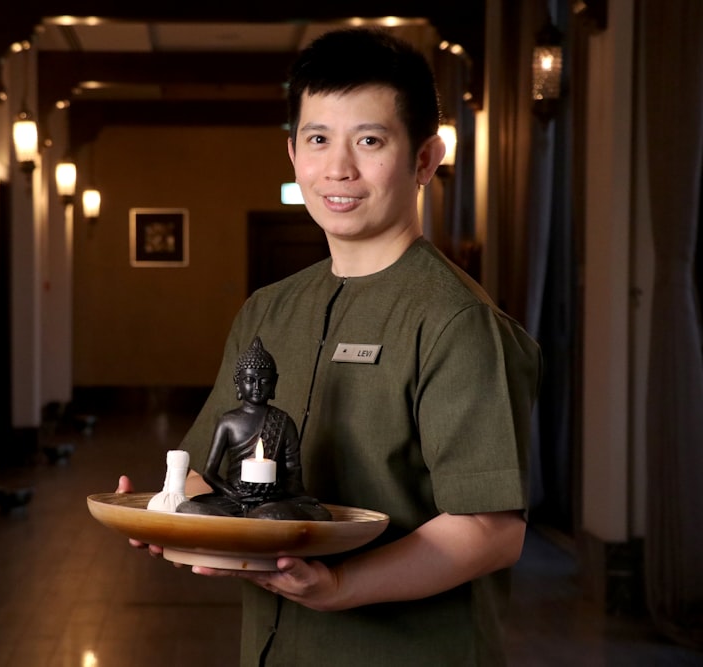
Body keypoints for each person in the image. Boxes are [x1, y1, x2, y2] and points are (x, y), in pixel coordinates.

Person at [118, 27, 541, 666]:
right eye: (318, 140)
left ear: (425, 159)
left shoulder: (456, 321)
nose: (338, 168)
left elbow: (490, 531)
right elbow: (212, 472)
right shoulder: (269, 308)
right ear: (292, 153)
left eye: (369, 141)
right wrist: (168, 512)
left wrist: (342, 585)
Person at [175, 335, 331, 521]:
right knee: (187, 508)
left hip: (272, 499)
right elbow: (210, 473)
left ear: (274, 383)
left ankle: (239, 525)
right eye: (249, 380)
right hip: (234, 497)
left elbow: (293, 475)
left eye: (264, 381)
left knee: (311, 513)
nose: (256, 387)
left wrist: (273, 491)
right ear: (237, 382)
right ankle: (254, 523)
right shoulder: (228, 421)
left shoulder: (284, 421)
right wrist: (233, 493)